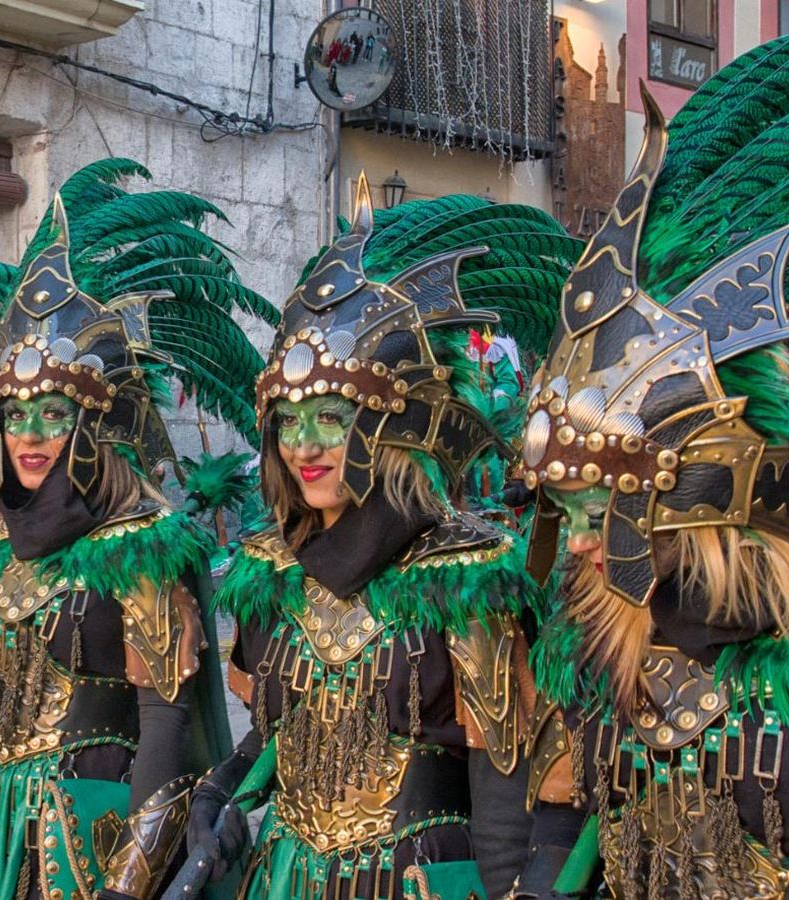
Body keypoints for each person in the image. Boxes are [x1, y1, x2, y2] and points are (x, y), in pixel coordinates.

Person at [517, 12, 789, 898]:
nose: (581, 545)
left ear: (700, 473)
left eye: (601, 514)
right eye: (567, 517)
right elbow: (567, 822)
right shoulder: (592, 629)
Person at [0, 159, 265, 900]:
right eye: (15, 415)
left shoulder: (141, 547)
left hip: (86, 839)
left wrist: (130, 881)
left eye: (52, 414)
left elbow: (165, 730)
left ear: (91, 422)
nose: (29, 435)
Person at [187, 179, 576, 900]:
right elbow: (273, 736)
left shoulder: (466, 583)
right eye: (292, 420)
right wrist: (218, 796)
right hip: (288, 880)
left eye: (332, 418)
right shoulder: (271, 571)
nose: (306, 445)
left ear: (391, 423)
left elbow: (501, 806)